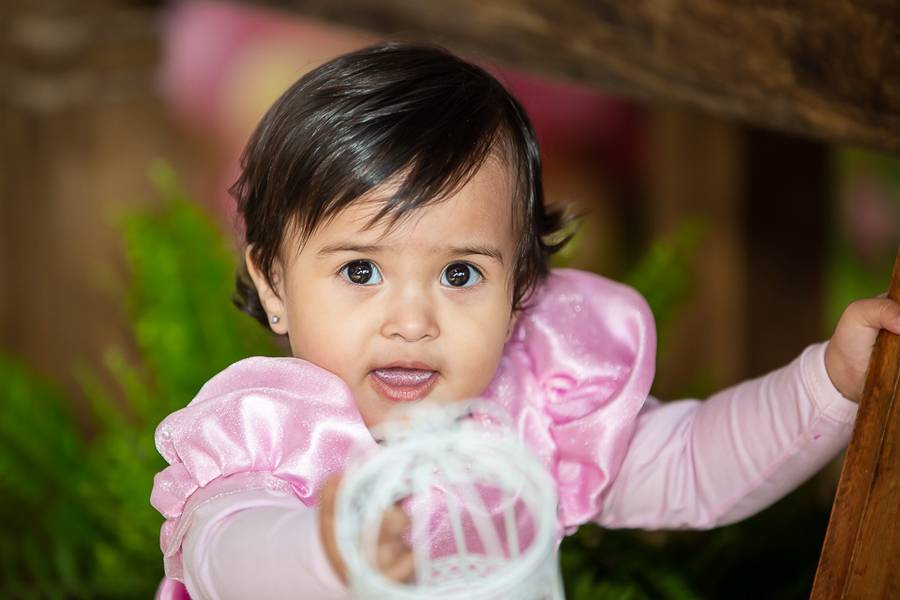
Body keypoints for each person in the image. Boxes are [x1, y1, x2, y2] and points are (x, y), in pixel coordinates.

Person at [150, 42, 900, 600]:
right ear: (273, 281)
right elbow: (225, 548)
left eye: (460, 273)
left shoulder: (530, 414)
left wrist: (826, 384)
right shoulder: (268, 433)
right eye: (360, 271)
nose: (412, 320)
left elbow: (692, 464)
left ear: (519, 293)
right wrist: (324, 553)